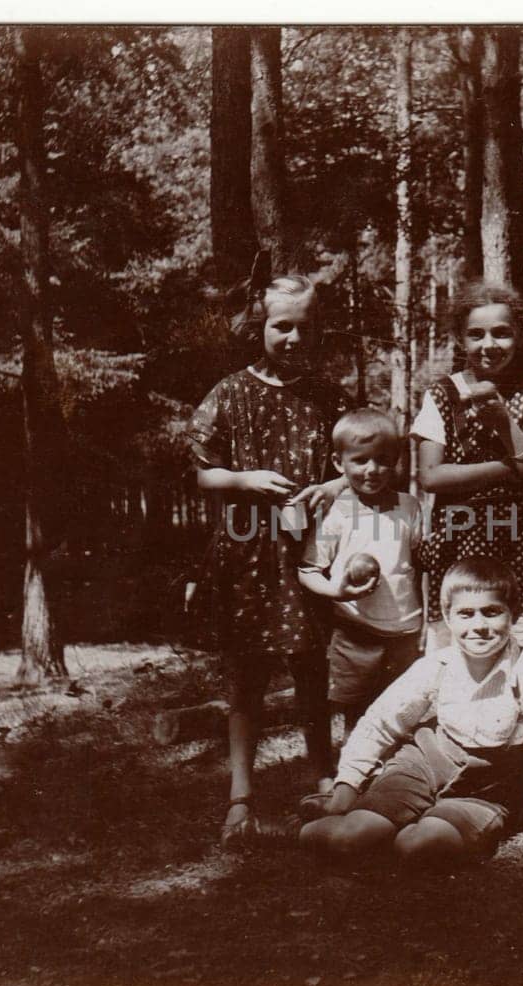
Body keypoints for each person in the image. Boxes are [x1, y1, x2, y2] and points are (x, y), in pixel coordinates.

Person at [186, 269, 345, 847]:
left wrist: (330, 489)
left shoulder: (327, 396)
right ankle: (241, 798)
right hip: (249, 551)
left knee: (312, 671)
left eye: (304, 328)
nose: (293, 339)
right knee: (247, 676)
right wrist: (247, 479)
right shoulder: (231, 392)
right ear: (261, 325)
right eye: (282, 326)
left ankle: (324, 779)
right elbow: (205, 473)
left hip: (311, 550)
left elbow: (354, 467)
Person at [299, 558, 523, 867]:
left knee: (419, 846)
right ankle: (306, 825)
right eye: (466, 614)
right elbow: (380, 723)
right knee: (350, 837)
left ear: (514, 615)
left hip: (486, 788)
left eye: (492, 612)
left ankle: (397, 824)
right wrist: (345, 788)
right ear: (448, 617)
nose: (479, 626)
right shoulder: (437, 664)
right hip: (423, 765)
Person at [412, 280, 523, 652]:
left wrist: (504, 425)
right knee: (462, 643)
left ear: (520, 337)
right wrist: (512, 467)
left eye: (501, 334)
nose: (489, 345)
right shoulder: (443, 394)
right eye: (476, 335)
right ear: (461, 340)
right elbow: (431, 476)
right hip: (459, 537)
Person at [298, 408, 423, 737]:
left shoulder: (409, 506)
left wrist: (426, 621)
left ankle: (395, 780)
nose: (372, 470)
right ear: (339, 463)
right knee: (357, 713)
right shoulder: (336, 512)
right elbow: (309, 570)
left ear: (396, 460)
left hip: (405, 632)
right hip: (356, 632)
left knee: (403, 712)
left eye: (383, 459)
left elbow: (420, 564)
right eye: (360, 459)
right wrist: (337, 592)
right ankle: (355, 779)